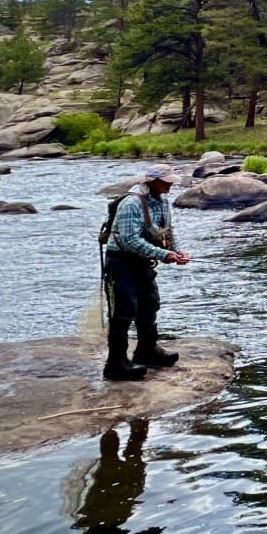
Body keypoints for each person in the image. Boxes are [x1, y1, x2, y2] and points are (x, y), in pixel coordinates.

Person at [103, 164, 191, 382]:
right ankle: (115, 365)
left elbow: (168, 231)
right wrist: (164, 255)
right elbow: (129, 240)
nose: (171, 184)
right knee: (123, 313)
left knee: (149, 304)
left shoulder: (162, 201)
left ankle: (146, 351)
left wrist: (176, 251)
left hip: (142, 263)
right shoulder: (131, 203)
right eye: (167, 181)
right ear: (152, 181)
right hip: (121, 263)